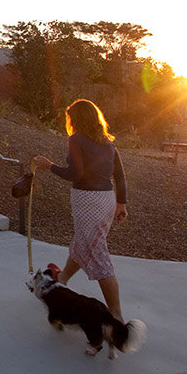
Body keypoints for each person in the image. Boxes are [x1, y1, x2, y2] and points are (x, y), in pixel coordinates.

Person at [33, 99, 129, 321]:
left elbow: (75, 174)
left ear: (76, 119)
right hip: (106, 200)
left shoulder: (76, 139)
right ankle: (62, 280)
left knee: (98, 254)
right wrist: (121, 204)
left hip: (87, 201)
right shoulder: (108, 143)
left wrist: (49, 166)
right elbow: (120, 176)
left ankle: (116, 316)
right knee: (83, 243)